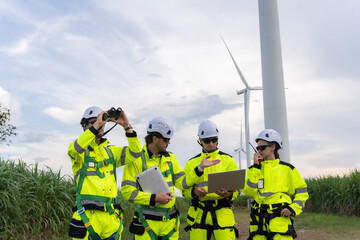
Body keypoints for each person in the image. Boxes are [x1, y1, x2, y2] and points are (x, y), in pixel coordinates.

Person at [68, 106, 143, 240]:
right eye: (93, 122)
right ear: (84, 126)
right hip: (87, 220)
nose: (100, 125)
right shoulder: (78, 152)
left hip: (112, 222)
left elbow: (136, 153)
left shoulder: (111, 152)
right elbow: (76, 148)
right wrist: (97, 124)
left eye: (102, 122)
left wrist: (127, 126)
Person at [243, 129, 309, 240]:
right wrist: (256, 167)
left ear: (273, 147)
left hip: (279, 219)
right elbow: (249, 191)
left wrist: (293, 208)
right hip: (258, 221)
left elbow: (302, 192)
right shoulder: (254, 169)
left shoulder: (288, 169)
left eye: (262, 147)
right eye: (258, 148)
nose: (259, 151)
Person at [182, 120, 240, 240]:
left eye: (214, 139)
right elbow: (184, 190)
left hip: (222, 213)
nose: (211, 143)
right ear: (200, 141)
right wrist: (194, 192)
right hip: (198, 214)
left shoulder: (229, 160)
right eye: (207, 140)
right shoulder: (191, 163)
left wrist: (229, 194)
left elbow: (238, 189)